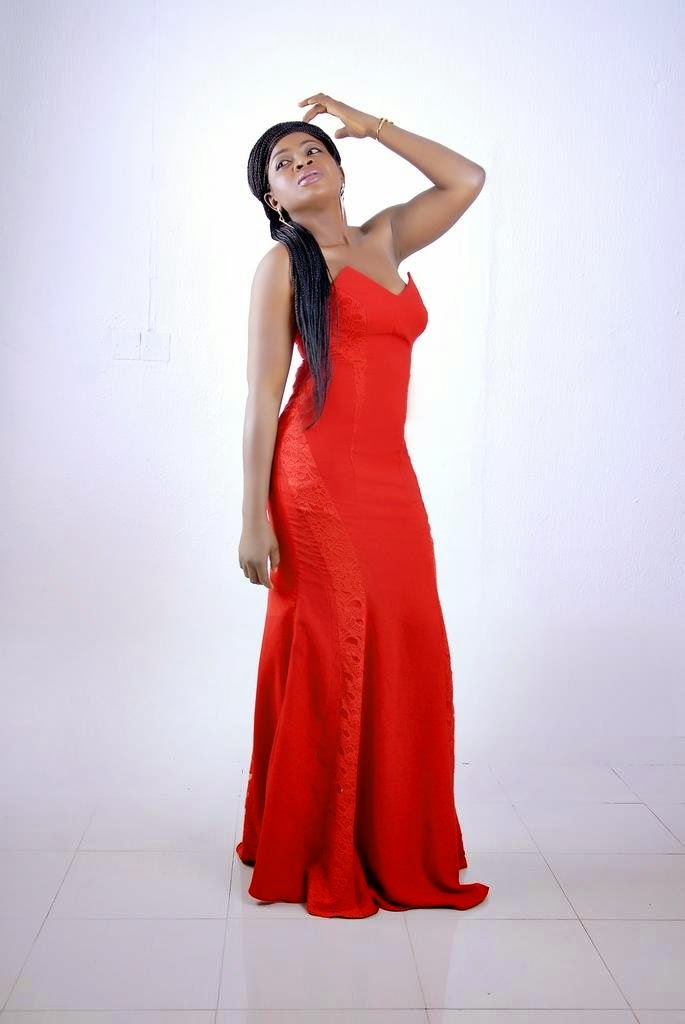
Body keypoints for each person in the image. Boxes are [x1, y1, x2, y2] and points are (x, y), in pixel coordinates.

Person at [236, 93, 489, 919]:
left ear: (340, 168)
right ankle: (320, 839)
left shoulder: (385, 237)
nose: (302, 162)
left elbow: (465, 178)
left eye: (313, 150)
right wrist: (251, 514)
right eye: (284, 163)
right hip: (314, 479)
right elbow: (261, 394)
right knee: (336, 645)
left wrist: (371, 124)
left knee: (406, 636)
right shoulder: (283, 266)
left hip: (389, 476)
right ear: (274, 198)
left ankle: (389, 836)